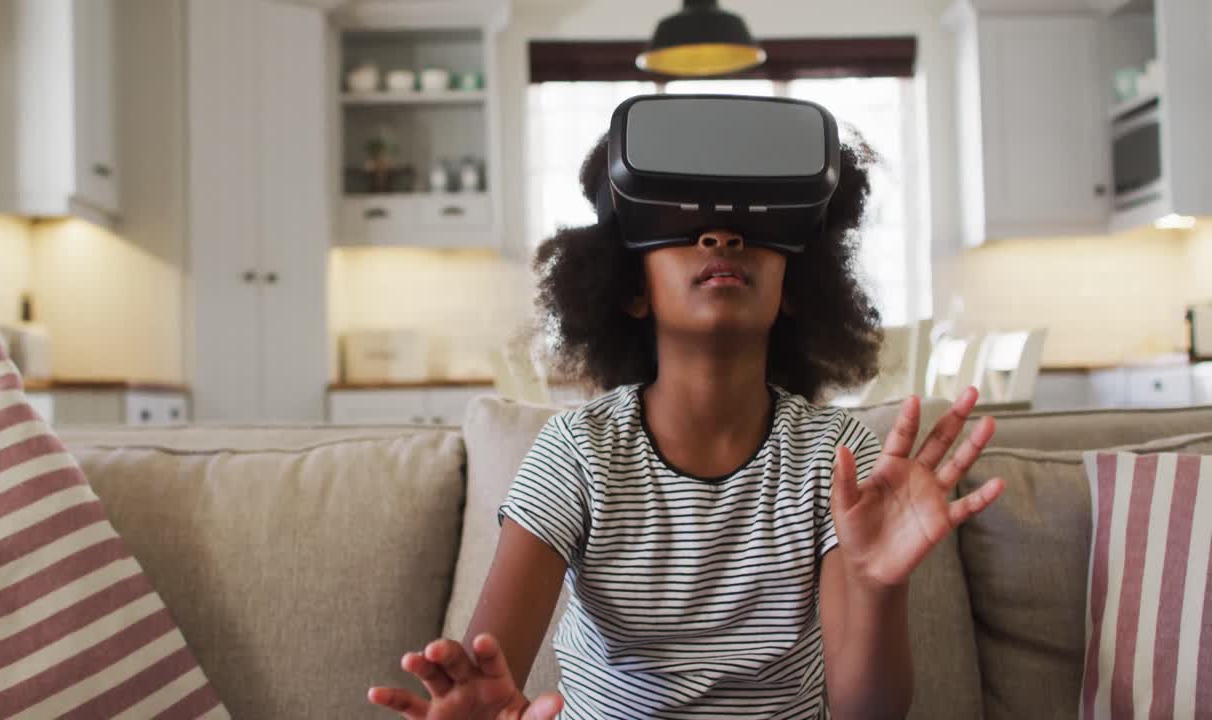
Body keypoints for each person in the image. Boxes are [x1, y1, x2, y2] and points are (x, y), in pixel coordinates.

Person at [369, 121, 1006, 719]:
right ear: (631, 286)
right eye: (683, 224)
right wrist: (480, 704)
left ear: (794, 285)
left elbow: (869, 712)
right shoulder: (577, 451)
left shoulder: (834, 455)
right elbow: (490, 667)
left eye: (753, 226)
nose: (721, 237)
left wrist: (875, 587)